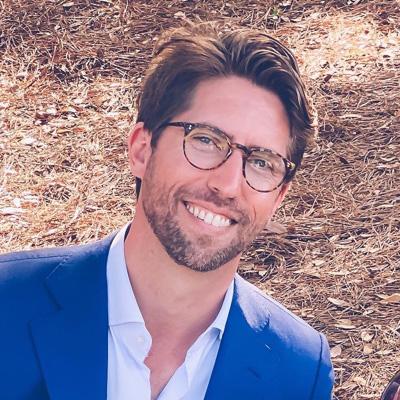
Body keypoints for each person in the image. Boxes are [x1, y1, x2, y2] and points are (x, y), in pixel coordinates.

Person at [0, 23, 334, 399]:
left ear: (279, 195)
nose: (227, 184)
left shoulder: (298, 371)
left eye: (261, 162)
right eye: (206, 140)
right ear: (142, 150)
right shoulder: (7, 305)